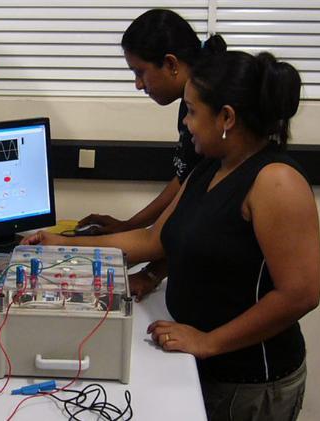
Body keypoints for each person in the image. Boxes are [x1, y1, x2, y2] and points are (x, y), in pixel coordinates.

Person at [23, 50, 320, 421]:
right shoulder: (211, 165)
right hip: (201, 365)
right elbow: (151, 241)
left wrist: (208, 342)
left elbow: (301, 294)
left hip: (248, 382)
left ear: (226, 117)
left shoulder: (276, 181)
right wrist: (63, 245)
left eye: (193, 112)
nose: (188, 125)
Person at [76, 9, 226, 301]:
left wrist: (152, 271)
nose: (138, 84)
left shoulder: (213, 117)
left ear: (171, 63)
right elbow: (185, 179)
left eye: (140, 72)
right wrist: (130, 225)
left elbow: (190, 218)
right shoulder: (192, 106)